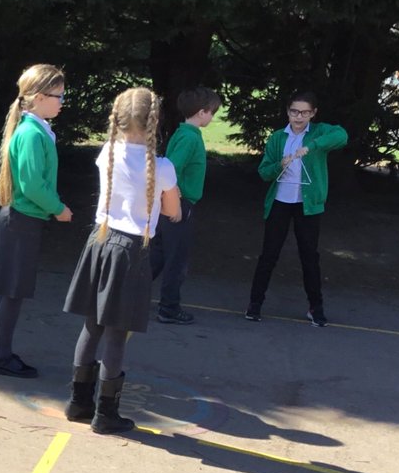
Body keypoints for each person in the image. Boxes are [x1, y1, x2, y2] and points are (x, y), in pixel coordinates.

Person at [63, 87, 182, 434]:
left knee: (91, 325)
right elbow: (173, 210)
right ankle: (105, 413)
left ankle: (78, 402)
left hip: (99, 242)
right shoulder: (162, 166)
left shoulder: (108, 152)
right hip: (131, 250)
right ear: (154, 121)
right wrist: (171, 205)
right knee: (117, 333)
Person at [0, 64, 73, 378]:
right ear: (40, 97)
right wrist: (58, 208)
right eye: (59, 96)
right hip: (21, 221)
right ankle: (2, 356)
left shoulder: (35, 129)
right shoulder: (32, 134)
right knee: (13, 292)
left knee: (7, 288)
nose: (62, 102)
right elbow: (32, 185)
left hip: (18, 219)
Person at [245, 91, 348, 327]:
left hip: (308, 206)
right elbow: (264, 172)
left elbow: (341, 136)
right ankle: (254, 303)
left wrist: (311, 146)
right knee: (269, 254)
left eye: (304, 112)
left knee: (309, 256)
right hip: (280, 202)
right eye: (294, 111)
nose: (298, 117)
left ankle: (315, 307)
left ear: (313, 113)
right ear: (287, 112)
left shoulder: (319, 132)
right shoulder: (278, 137)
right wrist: (278, 165)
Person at [149, 87, 221, 324]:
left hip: (171, 203)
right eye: (212, 112)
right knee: (176, 259)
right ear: (202, 112)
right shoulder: (190, 138)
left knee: (159, 254)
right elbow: (172, 168)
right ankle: (169, 308)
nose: (212, 117)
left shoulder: (183, 133)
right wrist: (176, 198)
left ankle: (130, 294)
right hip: (179, 205)